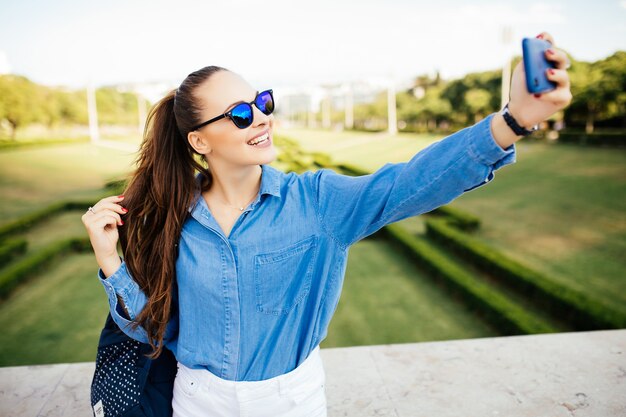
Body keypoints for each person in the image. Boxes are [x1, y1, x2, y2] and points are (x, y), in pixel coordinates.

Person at [82, 31, 571, 417]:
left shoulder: (317, 202)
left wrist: (513, 120)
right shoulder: (173, 217)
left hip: (291, 403)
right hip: (195, 402)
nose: (260, 118)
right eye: (238, 113)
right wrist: (110, 262)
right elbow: (155, 329)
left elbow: (413, 182)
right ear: (199, 142)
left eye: (262, 102)